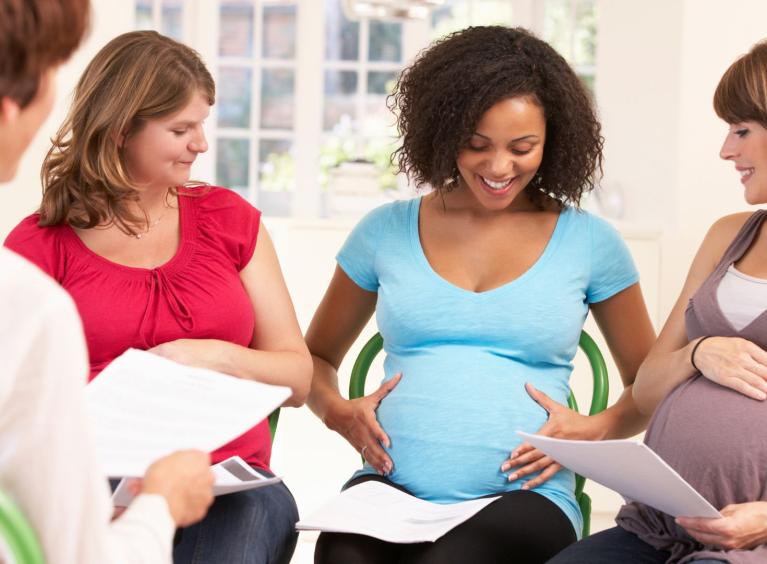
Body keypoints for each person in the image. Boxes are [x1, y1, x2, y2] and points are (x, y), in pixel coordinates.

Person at [306, 25, 656, 564]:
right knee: (340, 557)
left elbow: (649, 385)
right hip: (388, 491)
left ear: (554, 139)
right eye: (476, 145)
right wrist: (336, 411)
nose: (498, 168)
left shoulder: (590, 242)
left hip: (524, 498)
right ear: (443, 134)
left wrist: (595, 428)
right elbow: (315, 356)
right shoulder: (384, 231)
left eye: (522, 148)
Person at [3, 29, 313, 564]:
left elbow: (299, 379)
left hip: (226, 482)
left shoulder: (229, 220)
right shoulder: (37, 247)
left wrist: (208, 354)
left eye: (202, 125)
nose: (201, 144)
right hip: (91, 476)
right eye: (180, 128)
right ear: (122, 130)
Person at [0, 2, 215, 564]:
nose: (200, 145)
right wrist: (162, 505)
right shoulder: (24, 301)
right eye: (51, 71)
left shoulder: (226, 217)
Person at [547, 39, 767, 564]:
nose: (725, 151)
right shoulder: (728, 235)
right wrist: (698, 353)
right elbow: (645, 389)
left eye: (742, 131)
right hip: (654, 527)